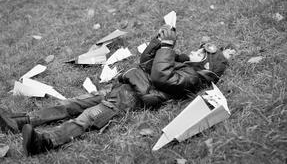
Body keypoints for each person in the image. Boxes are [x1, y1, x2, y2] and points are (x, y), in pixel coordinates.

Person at [0, 25, 235, 156]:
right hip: (120, 88)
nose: (195, 50)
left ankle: (43, 143)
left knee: (86, 118)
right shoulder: (183, 62)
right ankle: (22, 121)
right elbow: (146, 63)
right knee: (72, 104)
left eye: (200, 53)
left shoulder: (191, 77)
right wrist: (158, 42)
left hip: (126, 100)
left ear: (205, 65)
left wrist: (167, 48)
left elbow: (160, 77)